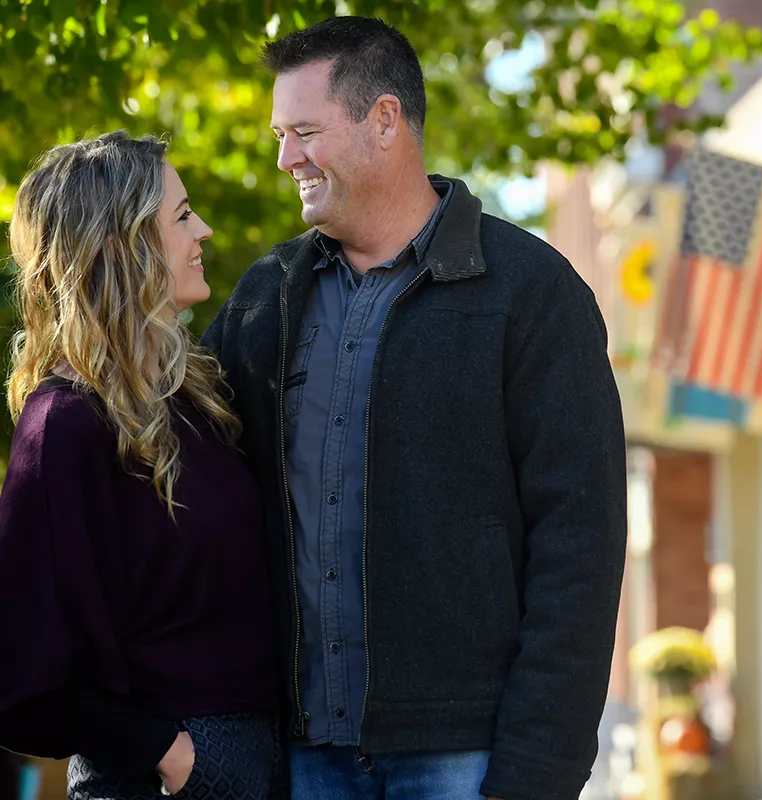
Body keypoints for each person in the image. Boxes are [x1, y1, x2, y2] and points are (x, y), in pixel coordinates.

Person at [203, 15, 627, 800]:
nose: (284, 157)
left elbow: (583, 544)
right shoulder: (267, 298)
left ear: (385, 120)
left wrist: (538, 772)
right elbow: (181, 475)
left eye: (303, 131)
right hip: (300, 761)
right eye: (278, 134)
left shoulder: (531, 293)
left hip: (468, 759)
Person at [0, 131, 280, 800]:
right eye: (182, 216)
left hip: (260, 759)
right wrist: (168, 754)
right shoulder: (62, 424)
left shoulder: (198, 399)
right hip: (160, 776)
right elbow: (24, 668)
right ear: (123, 245)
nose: (203, 230)